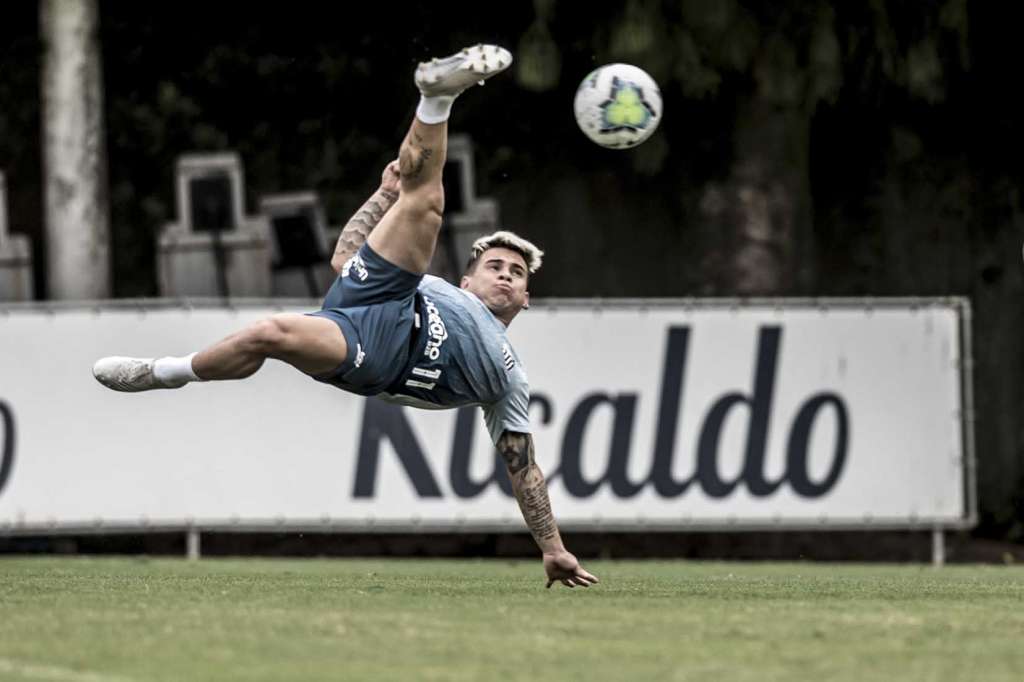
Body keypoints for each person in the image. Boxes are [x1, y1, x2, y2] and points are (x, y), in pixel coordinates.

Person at [94, 44, 598, 589]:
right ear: (466, 281)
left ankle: (166, 373)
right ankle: (436, 98)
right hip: (385, 297)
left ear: (525, 298)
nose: (505, 275)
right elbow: (343, 259)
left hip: (382, 355)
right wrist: (382, 196)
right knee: (421, 202)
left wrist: (553, 548)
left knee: (270, 332)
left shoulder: (507, 378)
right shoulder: (437, 286)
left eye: (517, 274)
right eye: (494, 265)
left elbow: (522, 466)